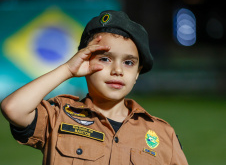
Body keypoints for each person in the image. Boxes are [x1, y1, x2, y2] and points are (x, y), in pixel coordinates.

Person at [1, 10, 188, 165]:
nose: (117, 70)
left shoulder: (162, 135)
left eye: (129, 63)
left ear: (138, 72)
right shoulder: (59, 116)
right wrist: (67, 69)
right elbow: (13, 108)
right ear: (84, 60)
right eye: (104, 59)